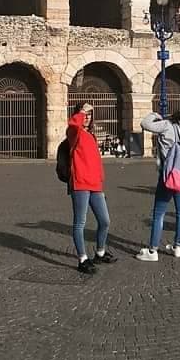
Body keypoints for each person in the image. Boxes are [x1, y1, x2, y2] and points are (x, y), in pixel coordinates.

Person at [137, 107, 180, 261]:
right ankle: (177, 246)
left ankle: (153, 251)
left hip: (168, 176)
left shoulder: (167, 125)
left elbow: (144, 124)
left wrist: (155, 114)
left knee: (159, 213)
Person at [65, 102, 113, 274]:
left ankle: (100, 252)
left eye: (90, 114)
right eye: (85, 114)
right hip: (80, 183)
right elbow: (72, 124)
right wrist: (81, 112)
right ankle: (82, 259)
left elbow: (96, 162)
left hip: (95, 184)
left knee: (104, 221)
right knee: (80, 222)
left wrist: (101, 181)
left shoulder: (91, 136)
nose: (87, 117)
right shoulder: (74, 133)